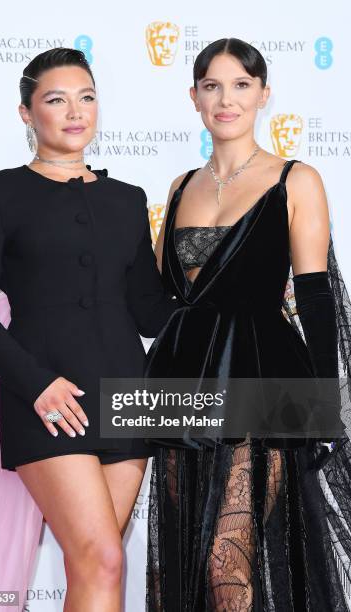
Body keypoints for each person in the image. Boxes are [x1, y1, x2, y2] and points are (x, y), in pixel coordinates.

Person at [0, 47, 177, 612]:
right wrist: (37, 385)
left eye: (87, 97)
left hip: (129, 395)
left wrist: (229, 302)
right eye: (56, 99)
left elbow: (148, 310)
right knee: (101, 557)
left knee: (98, 564)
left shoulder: (127, 199)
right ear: (27, 113)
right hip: (46, 398)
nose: (76, 112)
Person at [145, 38, 351, 611]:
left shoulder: (296, 179)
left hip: (262, 379)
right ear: (194, 97)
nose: (226, 99)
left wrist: (323, 401)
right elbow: (161, 301)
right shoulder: (179, 187)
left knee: (226, 563)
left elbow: (315, 297)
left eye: (241, 85)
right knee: (184, 561)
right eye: (212, 86)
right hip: (183, 386)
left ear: (264, 95)